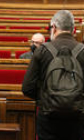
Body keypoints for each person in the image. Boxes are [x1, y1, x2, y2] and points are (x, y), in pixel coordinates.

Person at [22, 10, 84, 140]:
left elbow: (27, 88)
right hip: (78, 119)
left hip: (48, 119)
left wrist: (47, 98)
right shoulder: (82, 51)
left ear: (54, 27)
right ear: (73, 30)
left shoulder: (42, 51)